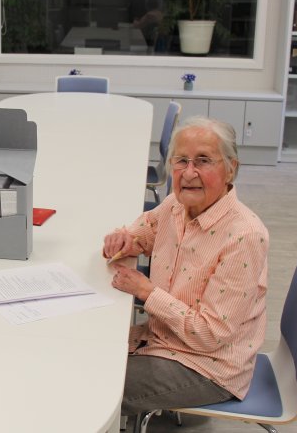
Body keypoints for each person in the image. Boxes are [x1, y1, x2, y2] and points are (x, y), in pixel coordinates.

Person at [102, 116, 269, 415]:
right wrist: (123, 240)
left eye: (203, 161)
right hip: (163, 339)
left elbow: (210, 335)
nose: (189, 173)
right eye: (181, 161)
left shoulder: (244, 236)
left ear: (232, 169)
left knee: (94, 386)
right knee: (81, 352)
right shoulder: (176, 206)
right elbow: (143, 232)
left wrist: (147, 292)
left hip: (206, 367)